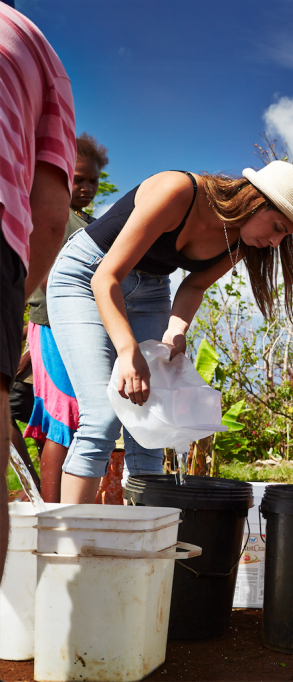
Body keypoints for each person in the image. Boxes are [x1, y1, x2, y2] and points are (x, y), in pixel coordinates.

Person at [47, 160, 293, 503]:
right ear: (255, 201)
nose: (277, 242)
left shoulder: (242, 241)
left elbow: (195, 285)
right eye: (278, 226)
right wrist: (128, 351)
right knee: (102, 418)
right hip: (87, 277)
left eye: (286, 236)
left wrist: (176, 328)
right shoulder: (178, 191)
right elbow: (106, 278)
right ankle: (71, 548)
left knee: (152, 424)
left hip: (151, 292)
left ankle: (142, 545)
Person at [1, 2, 77, 583]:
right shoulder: (31, 43)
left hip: (42, 326)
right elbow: (48, 220)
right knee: (59, 424)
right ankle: (51, 506)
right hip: (48, 326)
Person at [24, 133, 108, 502]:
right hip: (53, 325)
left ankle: (68, 511)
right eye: (78, 179)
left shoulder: (88, 222)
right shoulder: (51, 215)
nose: (87, 187)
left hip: (82, 329)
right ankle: (53, 515)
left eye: (93, 181)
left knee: (80, 420)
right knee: (63, 419)